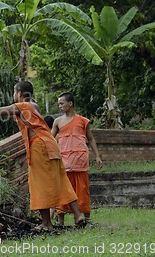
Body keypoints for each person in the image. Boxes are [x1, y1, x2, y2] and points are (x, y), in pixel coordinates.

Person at [0, 81, 85, 231]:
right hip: (50, 144)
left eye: (14, 92)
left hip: (40, 146)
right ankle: (78, 215)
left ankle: (46, 224)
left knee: (39, 183)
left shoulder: (23, 106)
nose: (13, 95)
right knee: (61, 180)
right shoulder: (33, 106)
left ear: (20, 94)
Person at [51, 92, 103, 225]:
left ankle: (87, 219)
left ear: (70, 104)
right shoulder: (58, 121)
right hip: (64, 160)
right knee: (63, 190)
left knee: (83, 189)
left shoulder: (83, 121)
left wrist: (97, 156)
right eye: (59, 104)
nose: (60, 106)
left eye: (62, 103)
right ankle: (60, 220)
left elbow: (90, 139)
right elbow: (50, 140)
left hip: (80, 160)